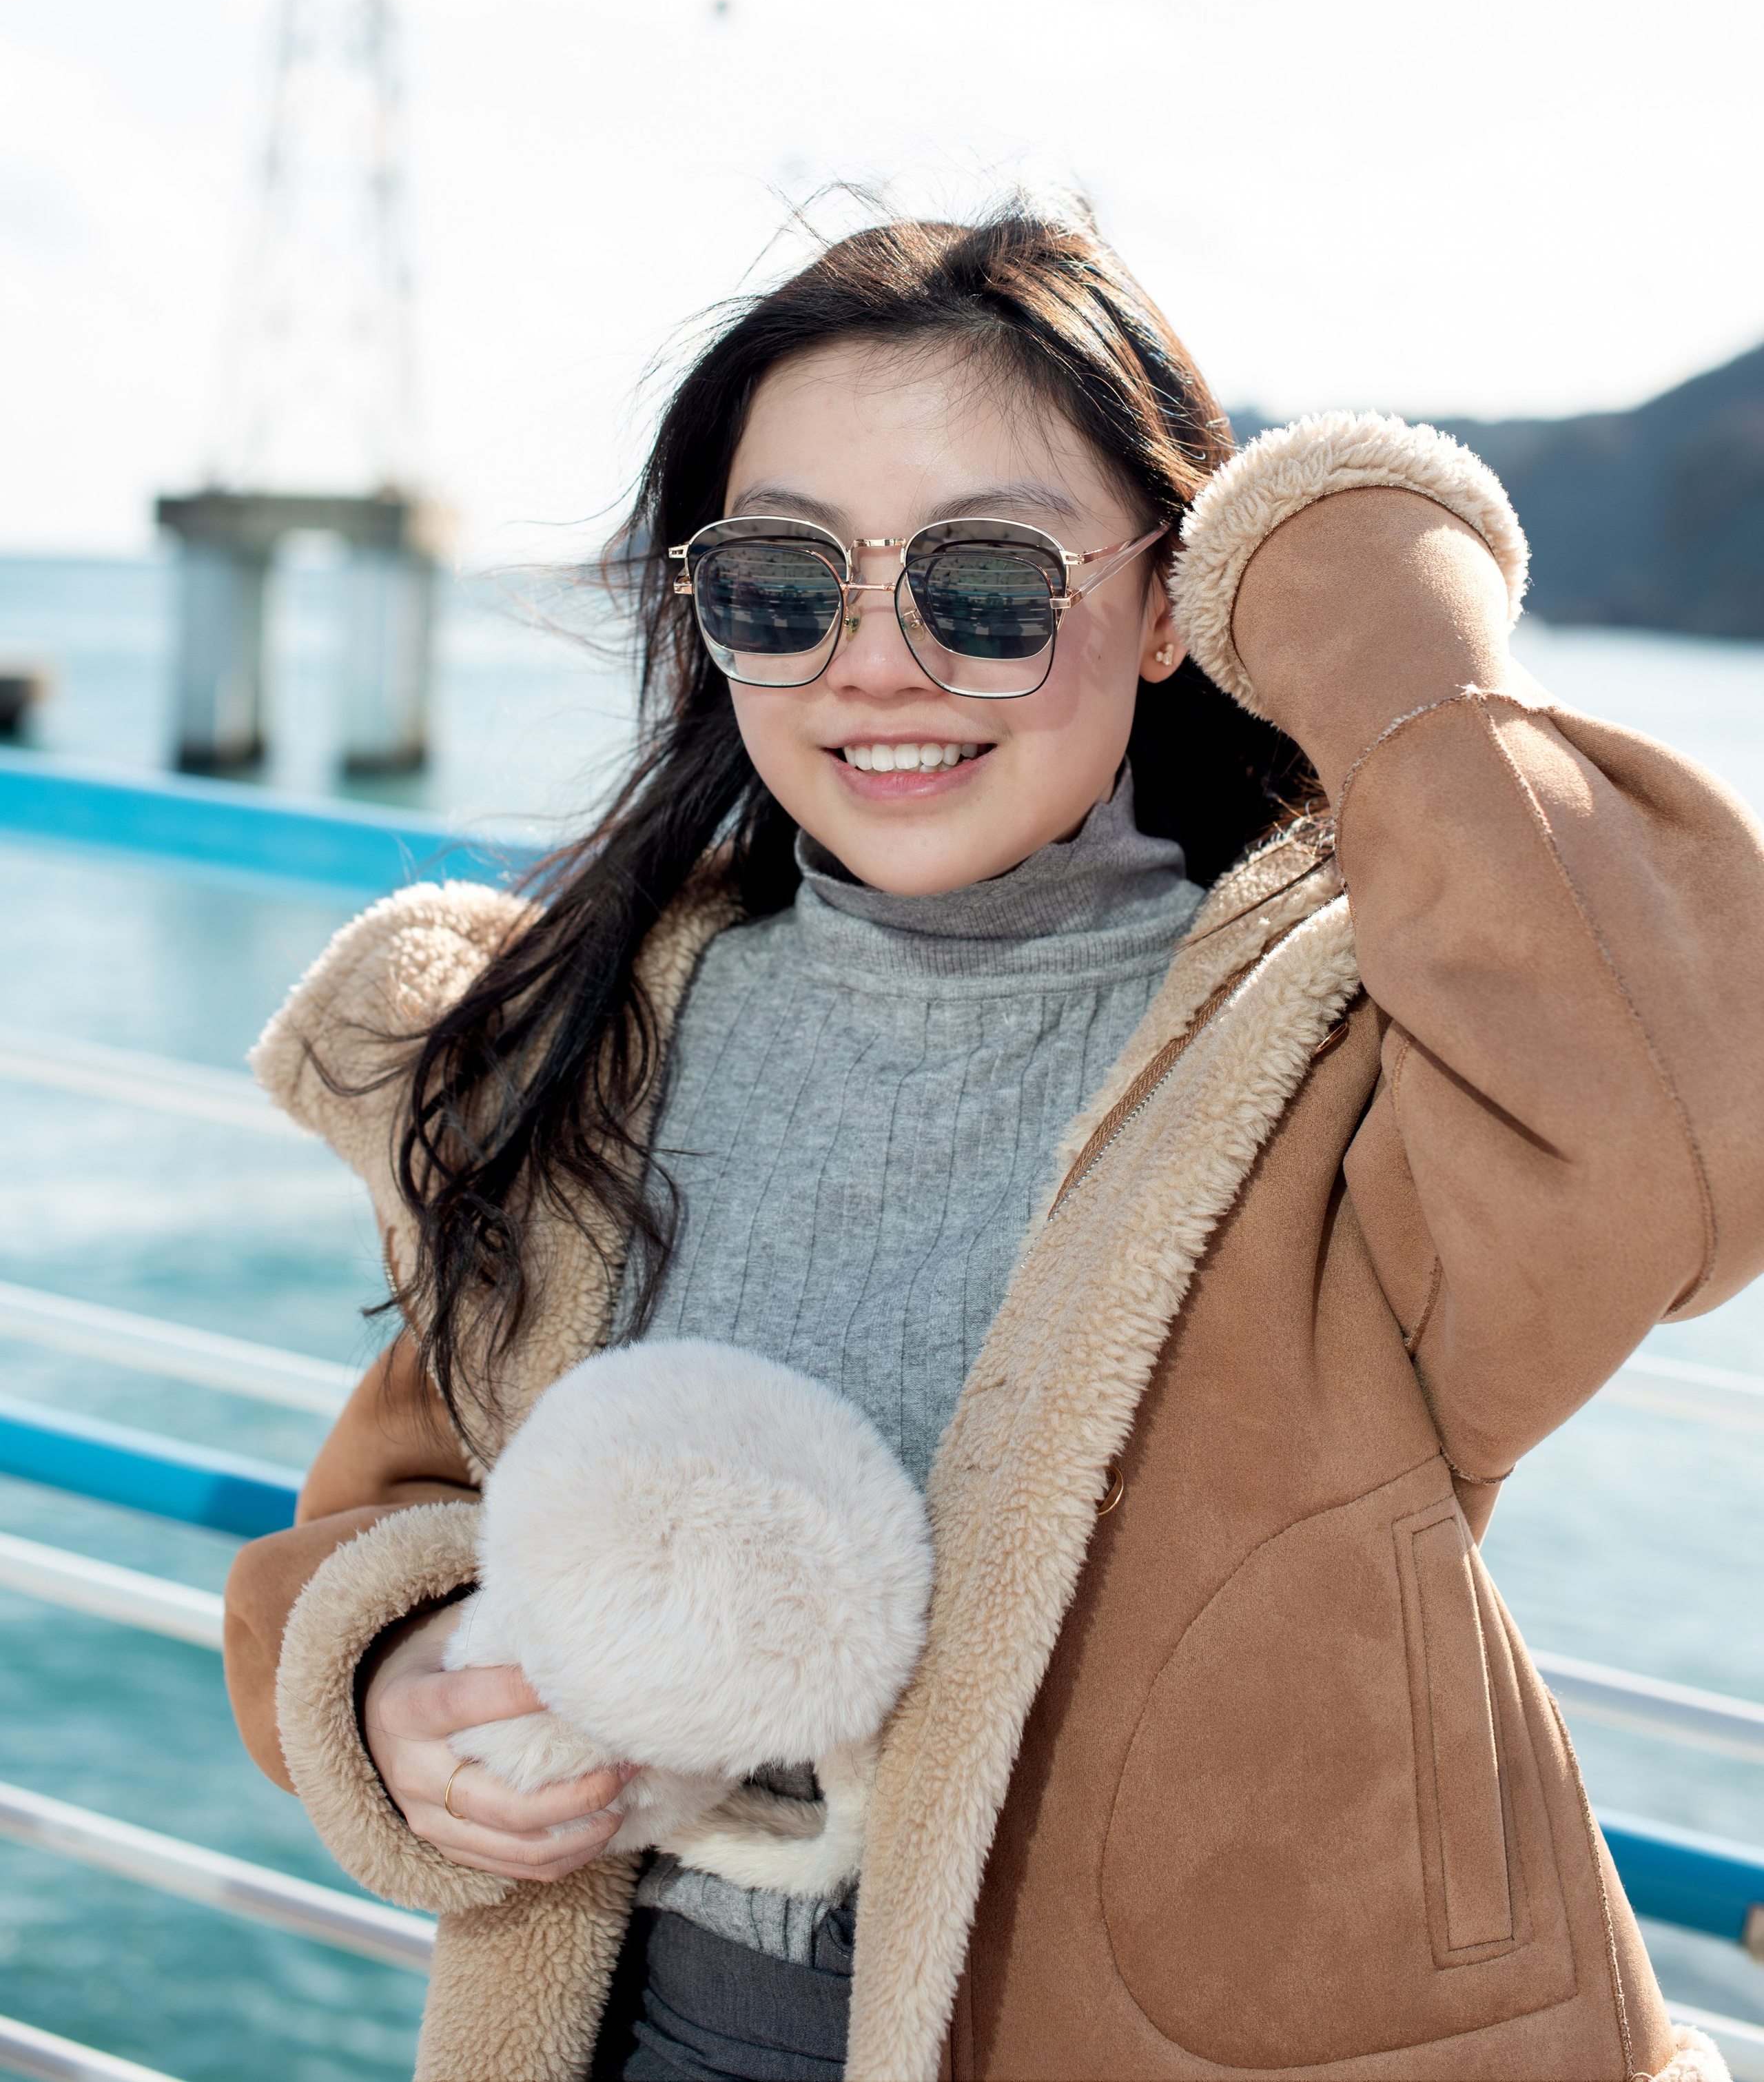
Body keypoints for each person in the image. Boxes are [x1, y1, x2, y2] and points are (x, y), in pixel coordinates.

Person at [223, 207, 1763, 2082]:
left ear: (1169, 598)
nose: (877, 663)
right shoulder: (594, 1033)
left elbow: (1678, 1123)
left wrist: (1349, 568)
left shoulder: (1339, 1062)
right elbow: (398, 1500)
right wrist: (384, 1682)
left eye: (989, 585)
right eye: (784, 582)